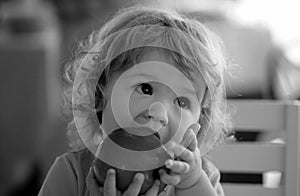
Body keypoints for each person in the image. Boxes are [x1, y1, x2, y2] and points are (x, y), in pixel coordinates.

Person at [38, 6, 231, 196]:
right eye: (145, 89)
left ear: (199, 122)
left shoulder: (200, 178)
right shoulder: (72, 174)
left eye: (181, 102)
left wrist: (192, 185)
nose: (159, 113)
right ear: (100, 94)